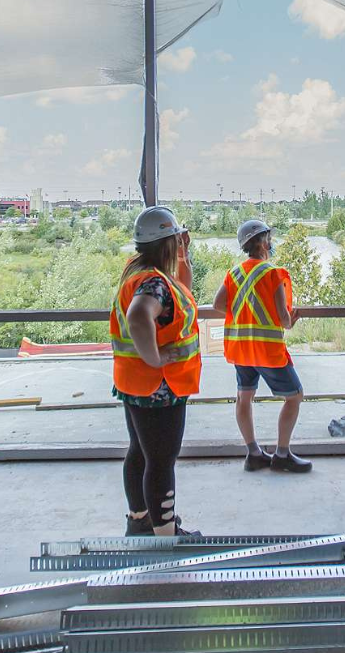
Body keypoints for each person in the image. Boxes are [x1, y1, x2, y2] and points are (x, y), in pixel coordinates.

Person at [110, 206, 201, 536]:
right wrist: (156, 357)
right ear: (167, 242)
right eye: (176, 239)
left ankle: (139, 522)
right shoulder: (153, 284)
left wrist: (183, 254)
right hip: (160, 387)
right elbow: (138, 316)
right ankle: (165, 536)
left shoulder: (141, 273)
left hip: (136, 384)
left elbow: (181, 290)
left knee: (140, 453)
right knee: (161, 462)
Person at [212, 219, 311, 474]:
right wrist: (292, 320)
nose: (271, 241)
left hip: (241, 350)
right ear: (262, 242)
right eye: (268, 237)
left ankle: (253, 453)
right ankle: (282, 454)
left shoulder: (234, 273)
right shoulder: (272, 273)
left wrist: (243, 315)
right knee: (294, 396)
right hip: (267, 352)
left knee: (244, 397)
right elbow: (283, 320)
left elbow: (218, 304)